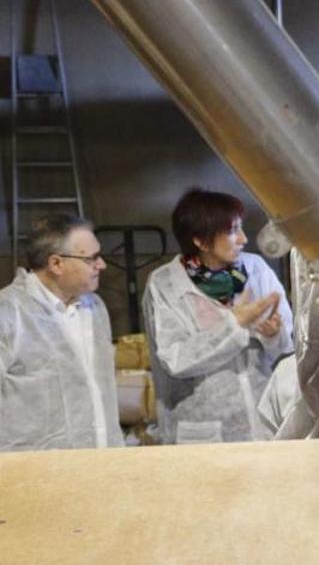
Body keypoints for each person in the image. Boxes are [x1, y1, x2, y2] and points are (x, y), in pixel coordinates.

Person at [144, 189, 294, 444]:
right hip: (204, 427)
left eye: (241, 227)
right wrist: (234, 324)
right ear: (200, 241)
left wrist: (273, 335)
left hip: (262, 418)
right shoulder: (166, 284)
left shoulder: (255, 269)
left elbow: (285, 348)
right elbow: (175, 359)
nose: (244, 239)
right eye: (233, 231)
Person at [0, 215, 123, 450]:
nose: (102, 265)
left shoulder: (94, 307)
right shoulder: (8, 313)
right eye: (92, 258)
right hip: (33, 465)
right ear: (56, 264)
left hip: (100, 460)